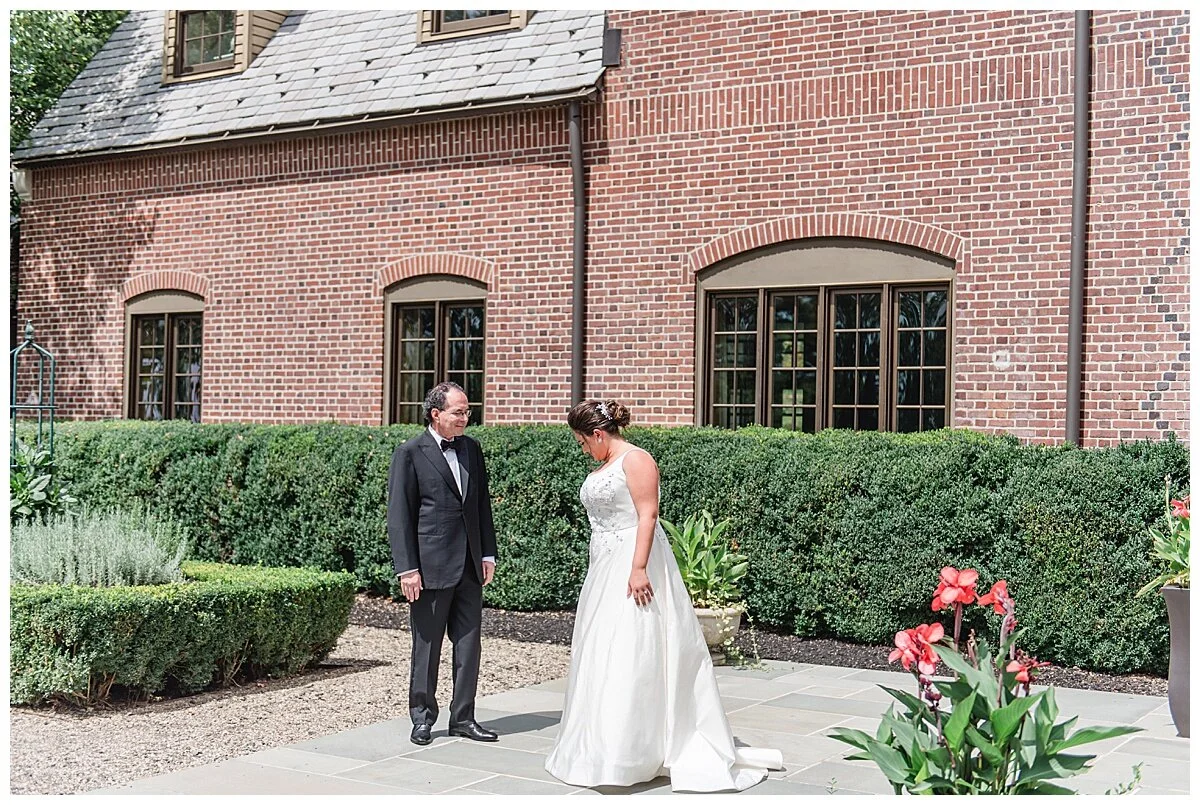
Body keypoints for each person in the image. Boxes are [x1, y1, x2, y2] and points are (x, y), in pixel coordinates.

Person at [545, 399, 783, 792]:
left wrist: (638, 568)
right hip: (604, 565)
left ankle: (638, 748)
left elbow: (648, 515)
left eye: (583, 441)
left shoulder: (636, 460)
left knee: (632, 645)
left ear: (599, 434)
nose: (582, 449)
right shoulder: (605, 464)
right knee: (602, 648)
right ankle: (601, 746)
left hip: (633, 560)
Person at [387, 381, 499, 746]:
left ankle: (463, 718)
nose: (465, 418)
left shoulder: (471, 449)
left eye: (468, 411)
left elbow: (481, 504)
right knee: (427, 647)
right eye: (458, 412)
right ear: (436, 414)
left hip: (469, 565)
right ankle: (422, 718)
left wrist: (487, 553)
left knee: (469, 646)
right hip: (429, 568)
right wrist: (407, 569)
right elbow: (399, 516)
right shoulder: (409, 453)